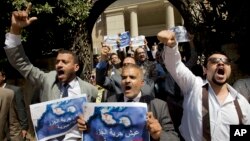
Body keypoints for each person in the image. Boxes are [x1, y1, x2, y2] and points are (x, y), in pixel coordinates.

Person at [4, 3, 98, 140]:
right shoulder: (47, 80)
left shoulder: (90, 91)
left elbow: (95, 125)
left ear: (76, 67)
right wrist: (15, 29)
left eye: (64, 62)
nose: (59, 65)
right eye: (57, 62)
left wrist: (88, 124)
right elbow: (21, 63)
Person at [157, 30, 250, 141]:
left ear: (230, 69)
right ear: (205, 69)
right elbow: (175, 66)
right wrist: (171, 45)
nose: (221, 63)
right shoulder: (194, 87)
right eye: (214, 61)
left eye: (225, 61)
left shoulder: (241, 103)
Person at [78, 64, 180, 141]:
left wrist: (159, 134)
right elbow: (100, 130)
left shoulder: (159, 106)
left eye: (132, 77)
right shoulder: (111, 102)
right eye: (124, 77)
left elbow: (174, 138)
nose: (127, 80)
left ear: (141, 83)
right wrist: (88, 126)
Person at [0, 67, 29, 140]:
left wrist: (24, 127)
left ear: (3, 77)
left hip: (13, 129)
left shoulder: (14, 90)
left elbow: (21, 109)